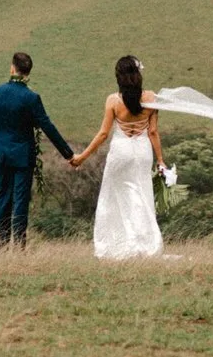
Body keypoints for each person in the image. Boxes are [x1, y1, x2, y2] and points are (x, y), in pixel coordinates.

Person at [69, 54, 169, 260]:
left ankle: (118, 245)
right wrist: (160, 160)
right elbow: (153, 132)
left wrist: (82, 157)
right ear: (138, 74)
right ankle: (144, 243)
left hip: (121, 151)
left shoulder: (113, 101)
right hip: (142, 152)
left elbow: (103, 134)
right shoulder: (151, 98)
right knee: (141, 195)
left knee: (114, 196)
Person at [0, 50, 73, 247]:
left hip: (1, 155)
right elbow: (48, 127)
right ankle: (19, 245)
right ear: (28, 73)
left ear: (12, 68)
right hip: (23, 157)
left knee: (3, 199)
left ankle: (2, 246)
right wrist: (68, 154)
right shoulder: (31, 98)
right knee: (21, 201)